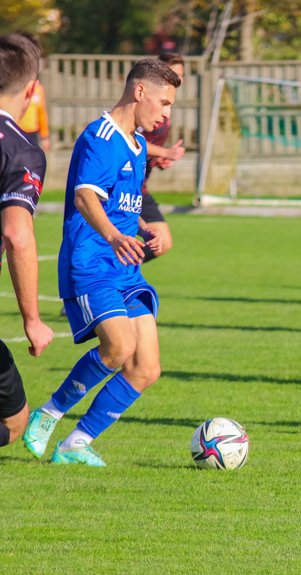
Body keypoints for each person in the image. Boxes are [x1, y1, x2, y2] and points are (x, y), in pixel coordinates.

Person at [22, 58, 179, 466]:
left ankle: (76, 444)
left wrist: (145, 228)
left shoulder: (139, 145)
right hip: (91, 261)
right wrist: (114, 235)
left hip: (126, 267)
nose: (166, 114)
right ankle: (49, 414)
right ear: (139, 91)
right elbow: (84, 197)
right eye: (163, 103)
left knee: (147, 367)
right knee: (120, 346)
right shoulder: (99, 136)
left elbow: (121, 204)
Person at [0, 33, 55, 450]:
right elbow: (18, 234)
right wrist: (33, 321)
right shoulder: (21, 151)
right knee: (15, 421)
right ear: (33, 90)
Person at [139, 52, 186, 262]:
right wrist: (165, 152)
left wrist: (158, 160)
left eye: (182, 74)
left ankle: (113, 276)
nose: (180, 78)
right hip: (125, 187)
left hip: (141, 187)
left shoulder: (165, 106)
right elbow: (130, 141)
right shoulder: (145, 107)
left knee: (162, 242)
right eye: (174, 72)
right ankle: (105, 278)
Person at [18, 78, 50, 152]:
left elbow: (41, 112)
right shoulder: (15, 87)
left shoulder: (38, 89)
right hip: (15, 130)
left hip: (32, 133)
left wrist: (45, 136)